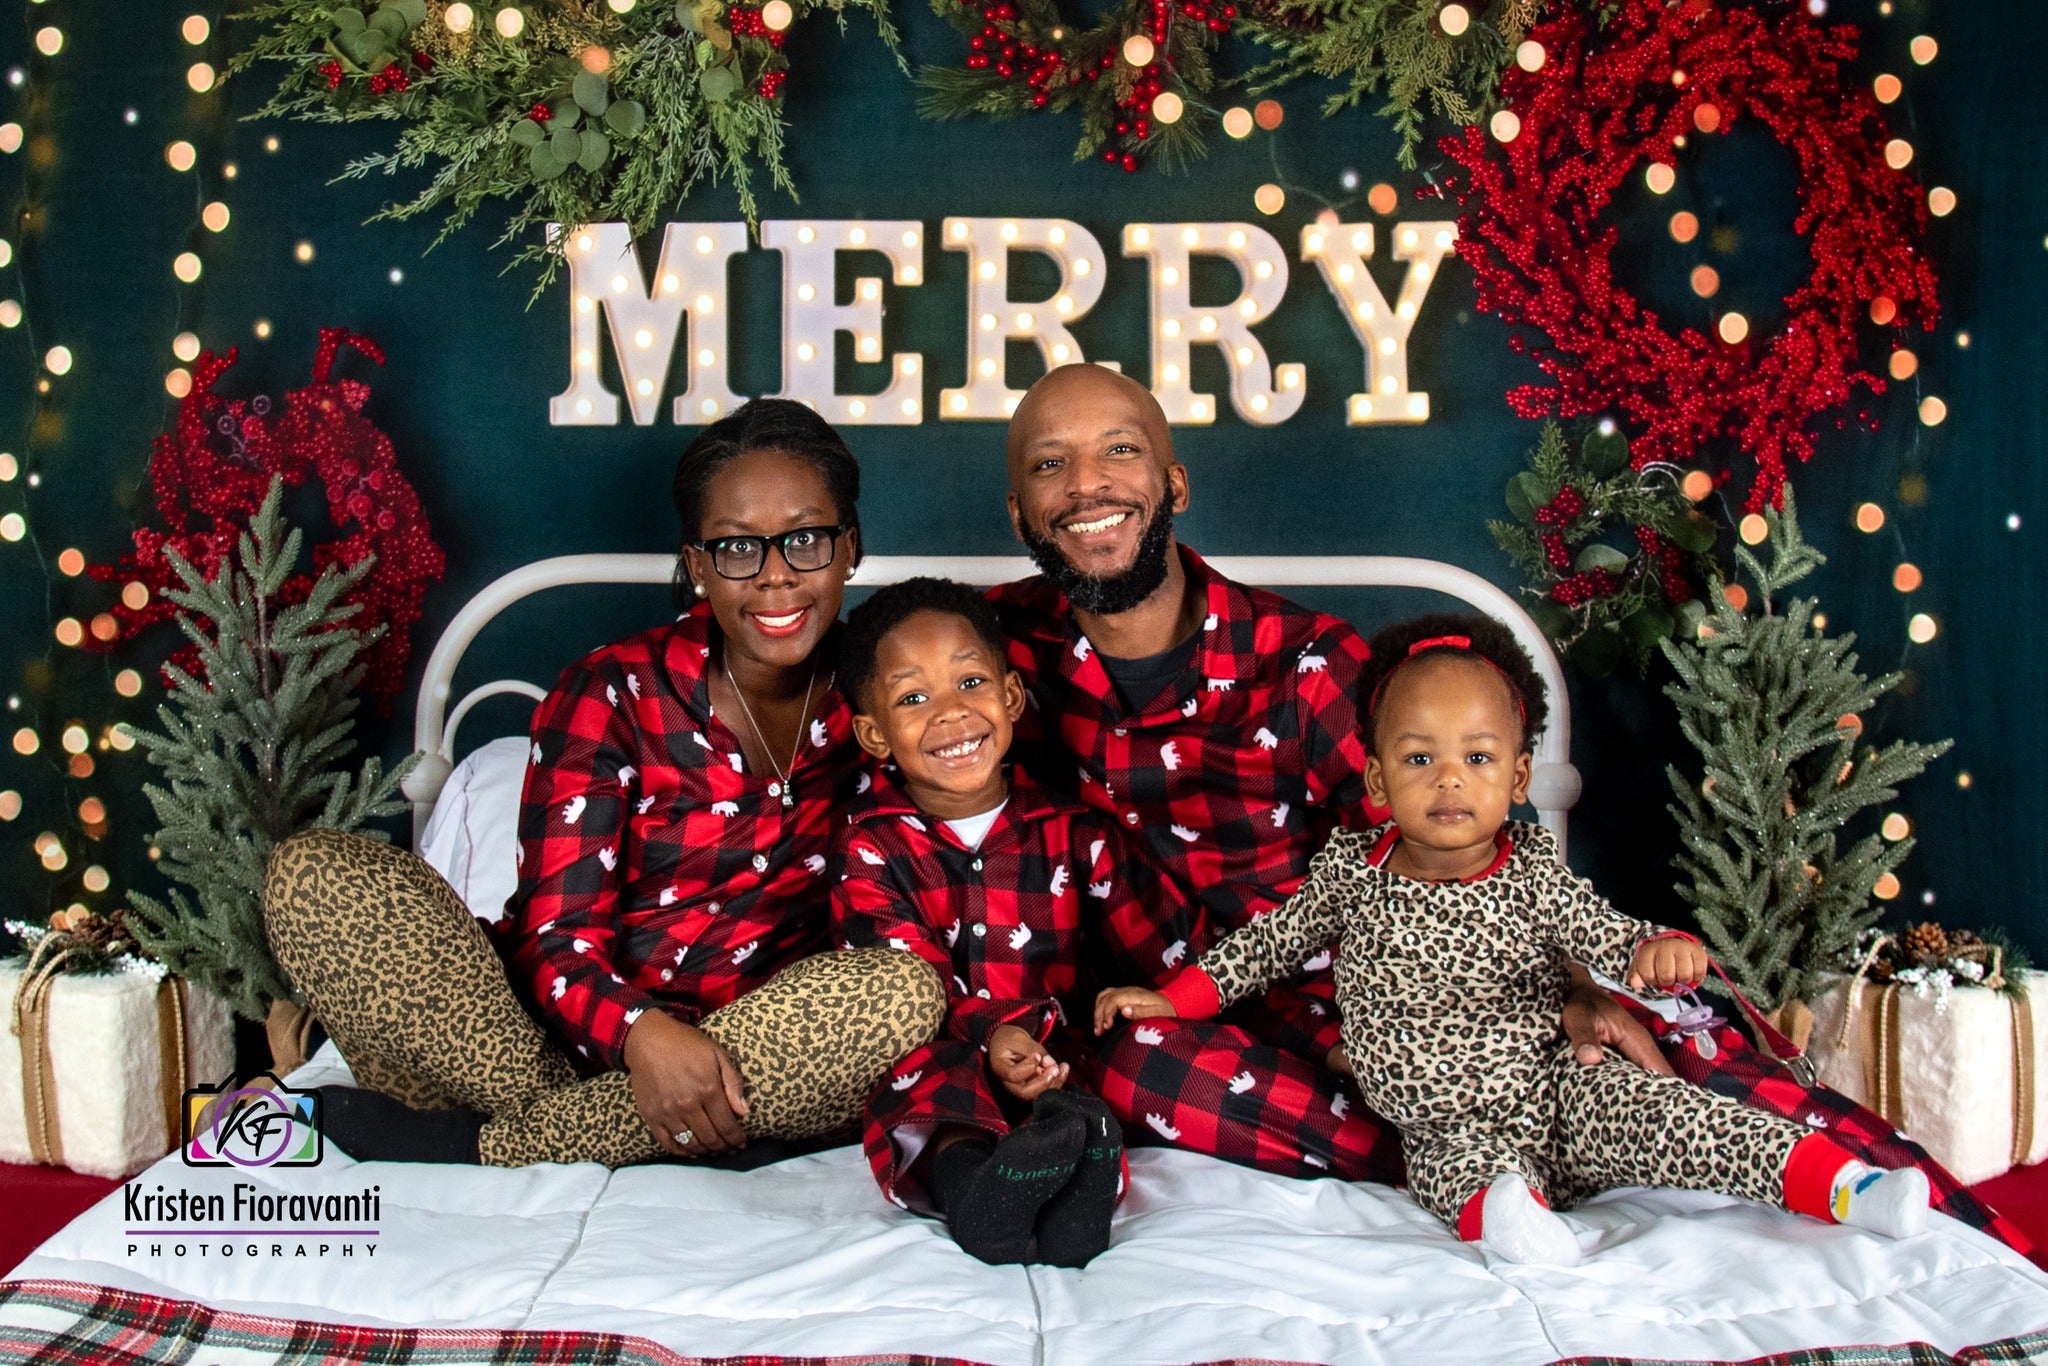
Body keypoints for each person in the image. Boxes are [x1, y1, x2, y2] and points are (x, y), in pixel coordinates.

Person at [988, 361, 1661, 1183]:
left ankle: (1546, 1125)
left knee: (1672, 1042)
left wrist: (1569, 989)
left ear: (1174, 485)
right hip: (1173, 1031)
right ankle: (1481, 1156)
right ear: (1022, 516)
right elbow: (871, 725)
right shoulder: (983, 659)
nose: (1087, 485)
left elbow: (1457, 849)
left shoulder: (1308, 661)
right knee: (1133, 1069)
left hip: (1373, 1009)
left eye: (1119, 451)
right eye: (1050, 463)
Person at [1096, 614, 1930, 1265]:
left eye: (1479, 757)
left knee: (1683, 1117)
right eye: (1419, 759)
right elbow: (1263, 948)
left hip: (1559, 1091)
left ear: (1519, 778)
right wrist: (1171, 999)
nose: (1450, 778)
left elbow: (1609, 936)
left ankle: (1847, 1188)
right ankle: (1513, 1225)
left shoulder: (1532, 873)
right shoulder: (1352, 873)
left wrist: (1659, 950)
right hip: (1446, 1122)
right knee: (1457, 1173)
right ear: (1379, 779)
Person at [263, 399, 945, 1167]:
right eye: (736, 550)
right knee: (313, 874)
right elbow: (557, 938)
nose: (777, 575)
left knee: (903, 994)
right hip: (529, 1046)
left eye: (807, 540)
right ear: (695, 565)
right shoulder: (610, 691)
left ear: (849, 548)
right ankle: (574, 1123)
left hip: (748, 1056)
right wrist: (642, 1036)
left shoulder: (894, 694)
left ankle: (484, 1144)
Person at [831, 578, 1178, 1266]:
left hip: (1058, 1052)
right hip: (947, 1050)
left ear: (1012, 696)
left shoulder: (1075, 831)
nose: (951, 715)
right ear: (873, 735)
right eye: (912, 698)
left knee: (1109, 1080)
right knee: (928, 1088)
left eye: (969, 681)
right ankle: (977, 1202)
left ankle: (1077, 1182)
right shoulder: (870, 846)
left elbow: (1159, 951)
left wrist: (1149, 999)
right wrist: (993, 1038)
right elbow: (907, 986)